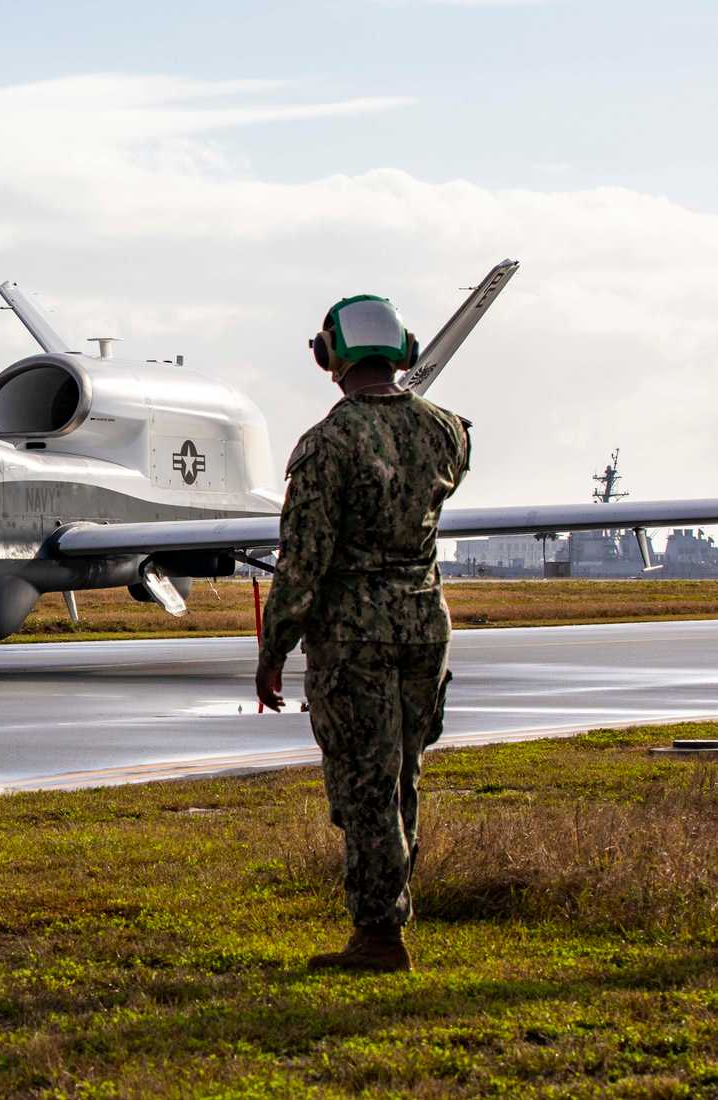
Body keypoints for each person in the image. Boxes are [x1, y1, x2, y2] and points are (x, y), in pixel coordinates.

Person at [254, 294, 471, 973]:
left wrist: (273, 648)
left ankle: (379, 935)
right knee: (404, 774)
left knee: (364, 785)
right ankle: (392, 912)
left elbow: (304, 561)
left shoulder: (328, 443)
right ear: (402, 350)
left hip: (356, 637)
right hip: (426, 625)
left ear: (330, 358)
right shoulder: (448, 432)